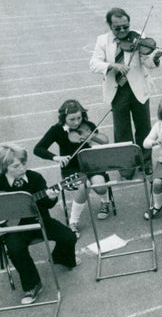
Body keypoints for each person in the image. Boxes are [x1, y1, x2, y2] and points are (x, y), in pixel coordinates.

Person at [0, 144, 79, 305]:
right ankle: (33, 285)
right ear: (5, 167)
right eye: (16, 165)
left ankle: (59, 257)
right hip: (14, 229)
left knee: (69, 237)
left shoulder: (35, 178)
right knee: (15, 250)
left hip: (41, 222)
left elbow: (47, 204)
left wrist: (51, 197)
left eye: (24, 163)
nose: (22, 168)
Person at [89, 7, 162, 177]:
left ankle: (145, 162)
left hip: (138, 89)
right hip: (118, 91)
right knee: (122, 130)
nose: (123, 31)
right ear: (110, 26)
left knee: (144, 128)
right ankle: (126, 165)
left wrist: (155, 58)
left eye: (125, 27)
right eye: (118, 28)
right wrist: (112, 65)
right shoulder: (102, 41)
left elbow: (147, 62)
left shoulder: (138, 36)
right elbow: (94, 64)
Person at [34, 99, 111, 237]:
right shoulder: (56, 130)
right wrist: (56, 157)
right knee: (84, 185)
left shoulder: (88, 125)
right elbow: (38, 149)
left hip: (91, 164)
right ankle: (73, 221)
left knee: (100, 186)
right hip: (71, 169)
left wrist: (91, 137)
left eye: (79, 118)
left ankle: (105, 201)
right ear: (64, 118)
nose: (76, 123)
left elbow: (104, 141)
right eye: (72, 119)